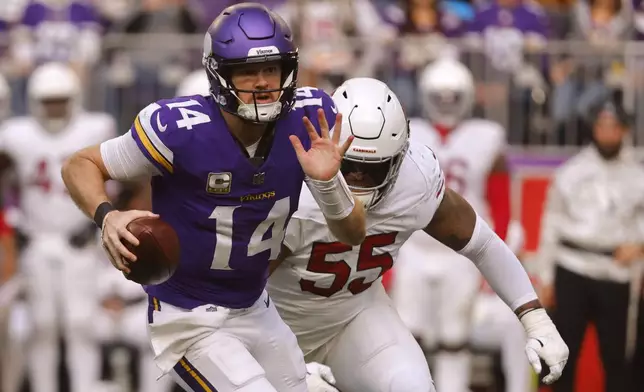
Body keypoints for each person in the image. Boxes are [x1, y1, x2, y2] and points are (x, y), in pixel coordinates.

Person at [60, 3, 366, 392]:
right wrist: (107, 215)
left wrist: (327, 184)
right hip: (188, 316)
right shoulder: (178, 130)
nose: (262, 82)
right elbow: (79, 164)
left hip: (257, 306)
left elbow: (354, 233)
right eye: (246, 71)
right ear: (219, 75)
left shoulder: (310, 119)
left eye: (270, 68)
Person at [267, 77, 568, 392]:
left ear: (399, 157)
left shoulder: (415, 179)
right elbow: (245, 290)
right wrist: (288, 364)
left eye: (373, 169)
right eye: (349, 165)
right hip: (277, 324)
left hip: (355, 315)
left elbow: (481, 244)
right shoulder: (293, 190)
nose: (359, 181)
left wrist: (535, 319)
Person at [393, 56, 516, 392]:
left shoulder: (488, 137)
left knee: (454, 338)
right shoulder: (409, 131)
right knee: (406, 334)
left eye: (452, 97)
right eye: (440, 97)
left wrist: (495, 256)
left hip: (463, 251)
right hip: (414, 248)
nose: (446, 104)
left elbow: (501, 201)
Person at [0, 62, 117, 392]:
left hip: (80, 240)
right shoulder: (15, 134)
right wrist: (16, 222)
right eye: (48, 101)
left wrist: (96, 218)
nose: (54, 108)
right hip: (36, 240)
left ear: (75, 98)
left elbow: (115, 181)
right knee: (42, 325)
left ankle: (85, 386)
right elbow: (5, 182)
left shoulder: (95, 128)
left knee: (82, 323)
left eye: (60, 100)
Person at [537, 96, 644, 392]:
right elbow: (551, 224)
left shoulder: (638, 175)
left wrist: (640, 248)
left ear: (624, 130)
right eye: (602, 125)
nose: (607, 132)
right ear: (593, 128)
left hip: (617, 273)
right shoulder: (571, 172)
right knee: (563, 356)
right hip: (572, 268)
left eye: (614, 126)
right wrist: (545, 277)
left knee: (617, 359)